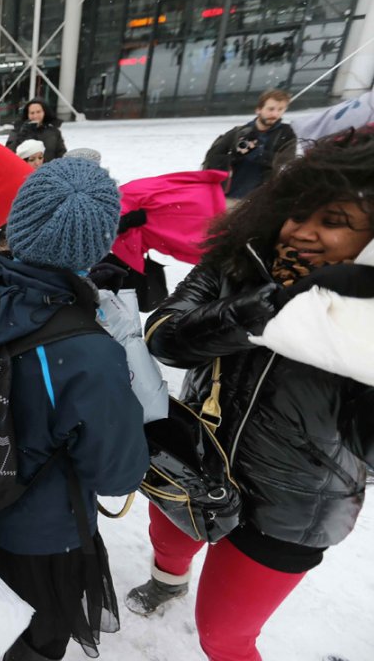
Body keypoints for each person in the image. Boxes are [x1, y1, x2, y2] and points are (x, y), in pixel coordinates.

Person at [127, 127, 374, 661]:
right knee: (169, 541)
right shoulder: (237, 263)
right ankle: (168, 581)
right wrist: (252, 313)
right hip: (195, 457)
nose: (301, 233)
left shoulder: (368, 331)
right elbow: (164, 335)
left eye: (333, 222)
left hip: (294, 508)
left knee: (223, 636)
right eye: (298, 213)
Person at [0, 157, 149, 661]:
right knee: (39, 634)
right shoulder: (89, 352)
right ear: (97, 244)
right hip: (44, 531)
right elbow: (117, 472)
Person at [203, 88, 297, 204]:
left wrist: (257, 153)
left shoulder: (286, 133)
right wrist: (235, 156)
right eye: (271, 109)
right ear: (258, 110)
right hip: (229, 197)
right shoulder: (238, 132)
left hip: (261, 200)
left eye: (280, 109)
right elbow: (212, 158)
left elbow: (286, 163)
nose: (275, 114)